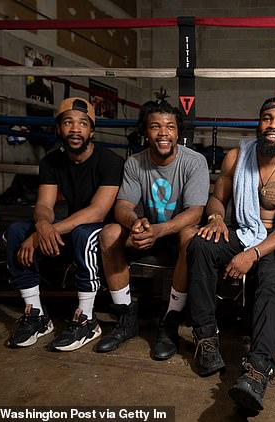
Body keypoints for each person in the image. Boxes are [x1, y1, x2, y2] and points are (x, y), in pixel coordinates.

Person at [187, 96, 275, 412]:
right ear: (259, 123)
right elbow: (217, 199)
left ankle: (257, 370)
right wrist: (215, 218)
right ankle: (207, 341)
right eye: (267, 118)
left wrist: (252, 255)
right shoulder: (235, 157)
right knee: (200, 244)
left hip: (274, 240)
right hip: (240, 231)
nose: (273, 125)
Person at [5, 97, 123, 351]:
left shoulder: (110, 160)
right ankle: (36, 315)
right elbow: (44, 206)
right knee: (16, 231)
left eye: (82, 123)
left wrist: (45, 232)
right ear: (58, 128)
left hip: (104, 231)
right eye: (68, 122)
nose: (75, 129)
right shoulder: (51, 161)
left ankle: (87, 319)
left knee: (83, 233)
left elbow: (98, 211)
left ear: (91, 130)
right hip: (72, 226)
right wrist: (42, 226)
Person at [95, 99, 209, 359]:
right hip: (147, 231)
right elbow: (122, 206)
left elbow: (195, 212)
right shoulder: (135, 163)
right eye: (155, 126)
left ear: (178, 132)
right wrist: (135, 222)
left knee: (191, 235)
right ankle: (126, 318)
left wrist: (160, 229)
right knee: (110, 233)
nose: (163, 133)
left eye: (169, 126)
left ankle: (170, 322)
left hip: (174, 232)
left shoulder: (194, 162)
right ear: (145, 132)